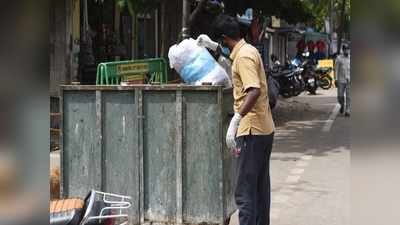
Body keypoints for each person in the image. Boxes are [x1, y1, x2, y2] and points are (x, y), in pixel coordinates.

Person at [213, 15, 275, 225]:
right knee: (259, 189)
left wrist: (236, 119)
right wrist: (216, 50)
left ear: (224, 38)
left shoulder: (244, 57)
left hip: (251, 131)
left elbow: (253, 90)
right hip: (263, 129)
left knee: (244, 193)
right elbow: (234, 64)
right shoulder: (247, 51)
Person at [335, 44, 351, 117]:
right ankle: (342, 105)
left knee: (349, 96)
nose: (347, 50)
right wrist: (335, 79)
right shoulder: (339, 58)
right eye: (345, 49)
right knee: (340, 96)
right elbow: (336, 69)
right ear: (343, 50)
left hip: (349, 80)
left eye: (348, 49)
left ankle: (347, 110)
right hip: (341, 80)